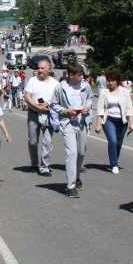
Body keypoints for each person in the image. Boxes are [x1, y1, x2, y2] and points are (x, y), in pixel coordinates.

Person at [50, 63, 92, 198]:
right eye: (79, 75)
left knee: (81, 152)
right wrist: (66, 111)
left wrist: (87, 107)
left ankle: (77, 176)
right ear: (71, 75)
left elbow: (90, 99)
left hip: (82, 121)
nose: (82, 77)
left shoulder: (85, 86)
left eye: (82, 75)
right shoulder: (61, 87)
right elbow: (54, 104)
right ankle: (70, 186)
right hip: (68, 122)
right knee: (72, 152)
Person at [94, 70, 133, 174]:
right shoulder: (104, 92)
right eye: (109, 80)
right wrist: (98, 124)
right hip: (109, 120)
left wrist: (131, 122)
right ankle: (114, 164)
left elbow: (129, 108)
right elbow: (100, 108)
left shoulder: (125, 92)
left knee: (118, 143)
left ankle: (115, 159)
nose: (110, 83)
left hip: (122, 121)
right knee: (112, 141)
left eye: (112, 80)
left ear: (117, 81)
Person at [24, 59, 59, 176]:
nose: (39, 70)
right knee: (33, 141)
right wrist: (37, 107)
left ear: (49, 69)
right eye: (38, 68)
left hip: (48, 115)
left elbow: (59, 100)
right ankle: (34, 163)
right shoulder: (33, 81)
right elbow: (27, 96)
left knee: (47, 142)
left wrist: (48, 106)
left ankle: (45, 166)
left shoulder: (55, 84)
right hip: (34, 113)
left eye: (42, 68)